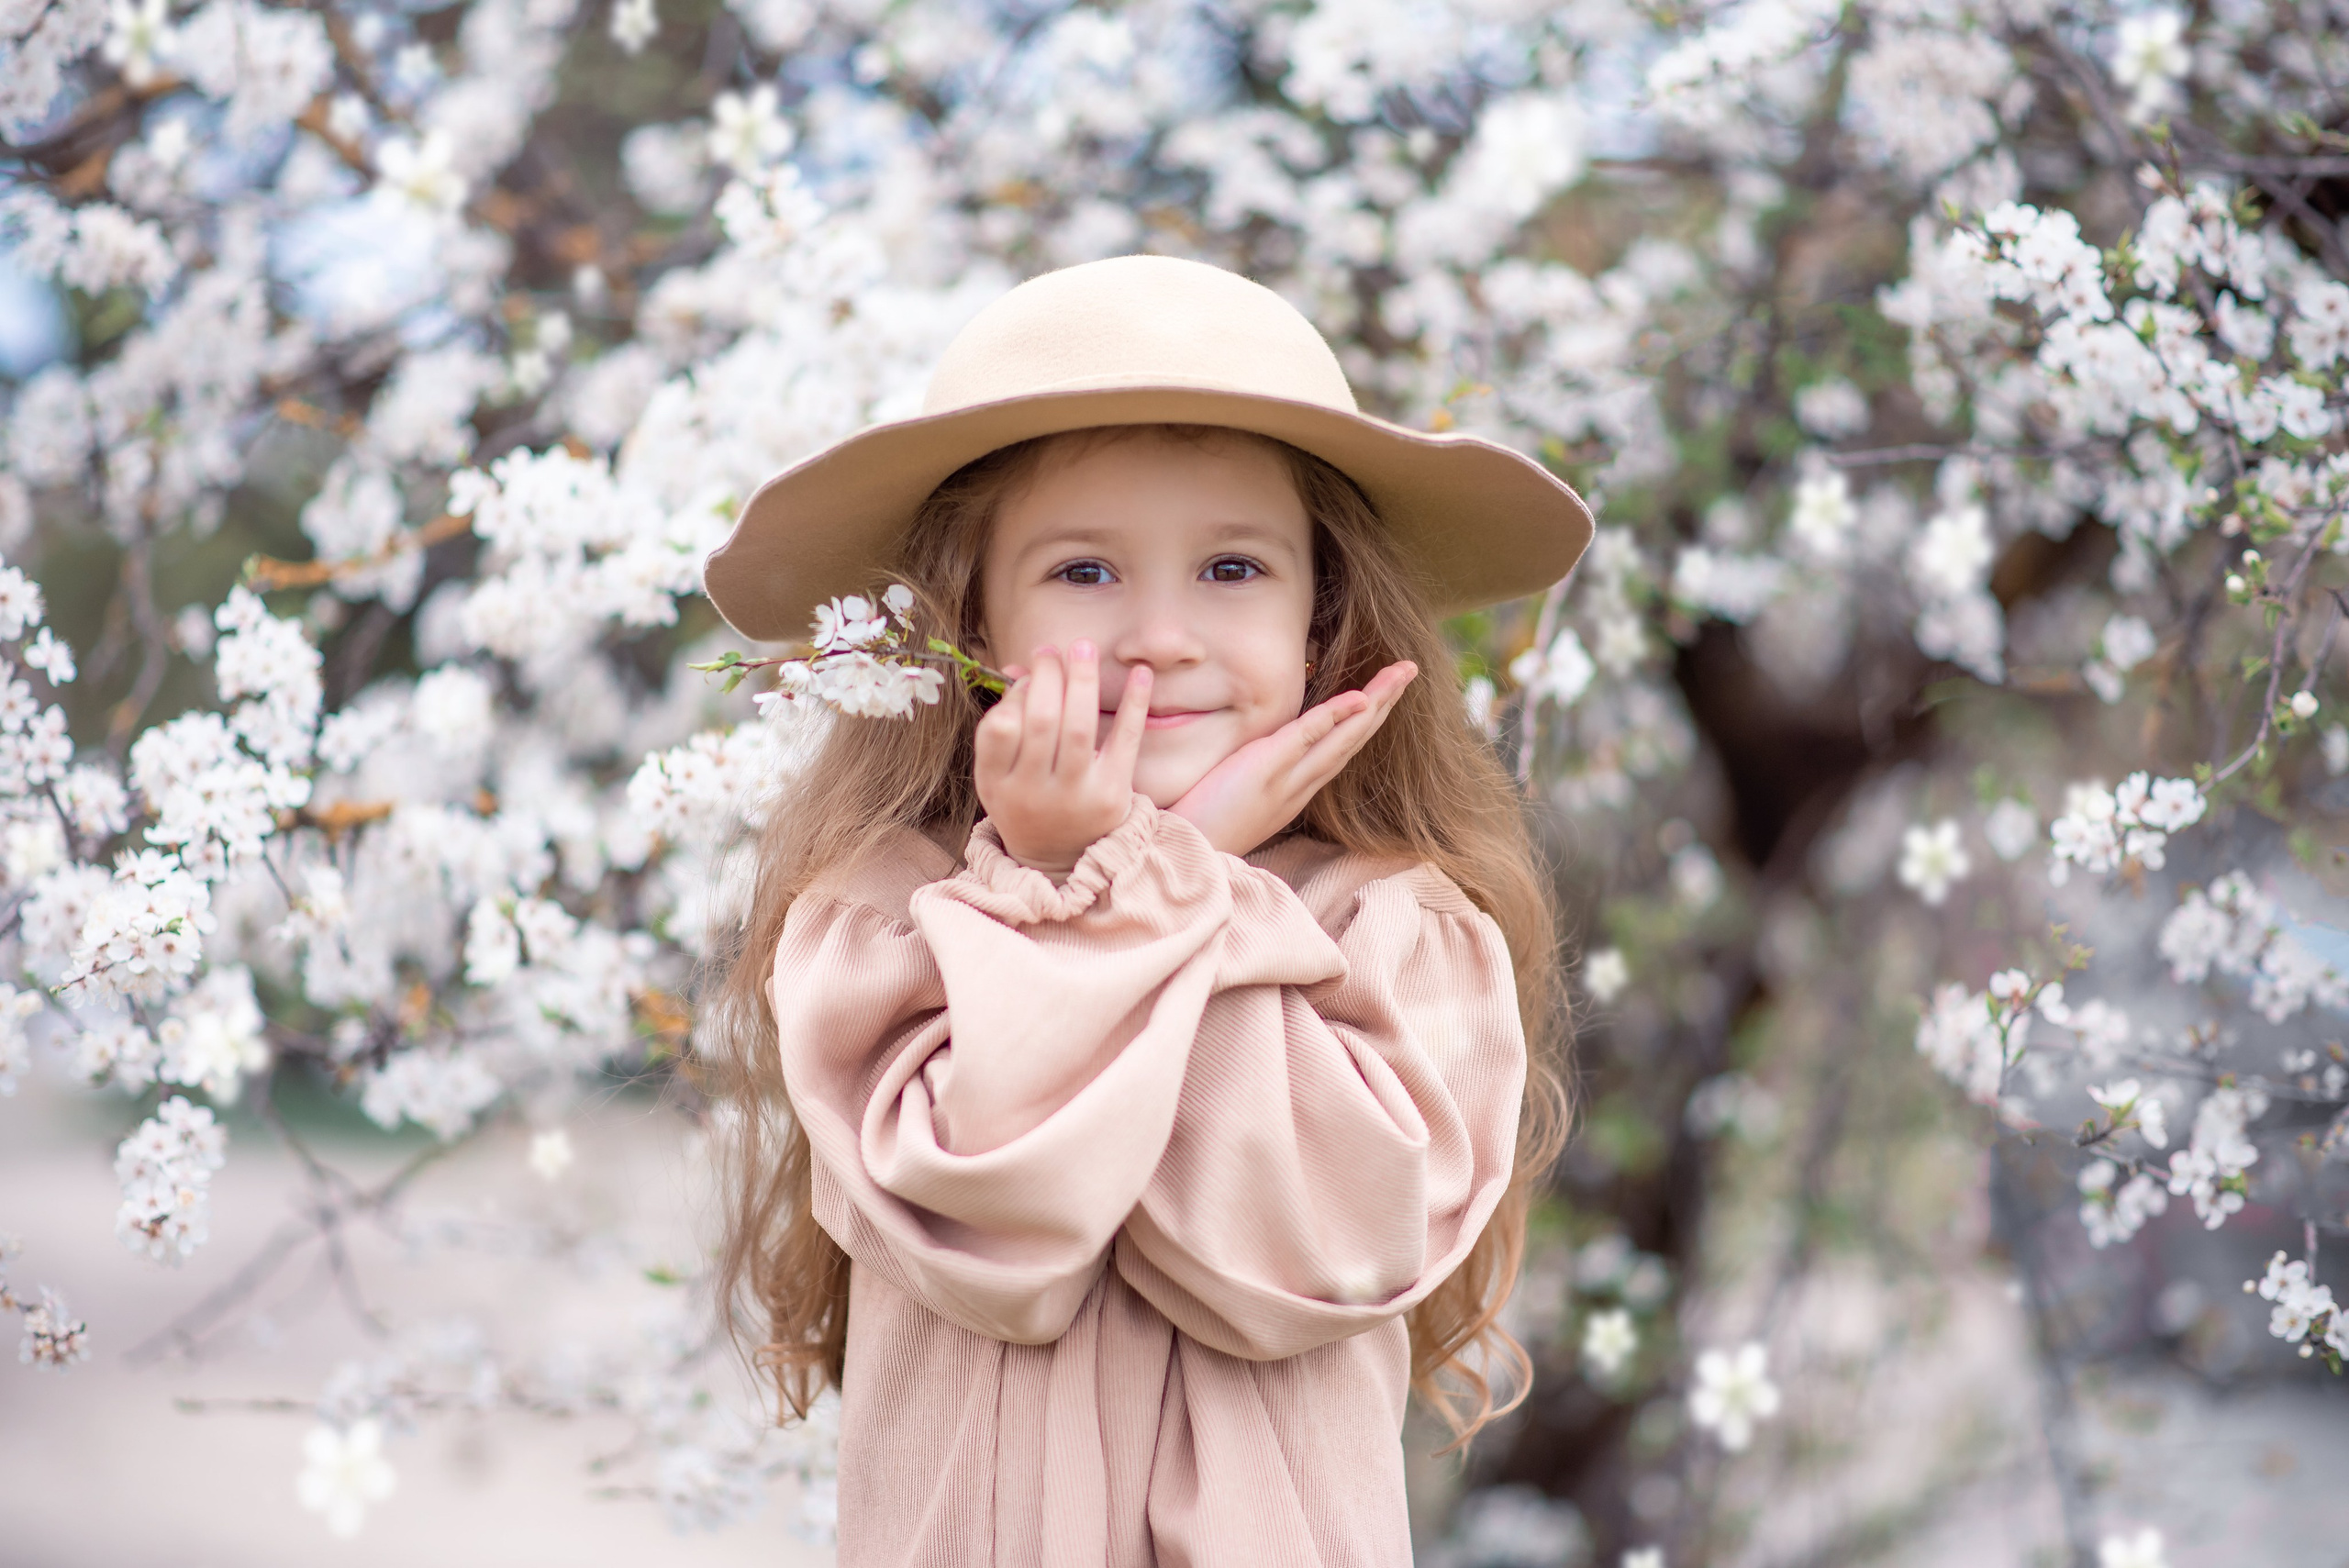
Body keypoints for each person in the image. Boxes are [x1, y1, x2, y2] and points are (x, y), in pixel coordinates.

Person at [697, 253, 1593, 1566]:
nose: (1161, 635)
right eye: (1084, 573)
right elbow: (1003, 1228)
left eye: (1234, 570)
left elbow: (1308, 1251)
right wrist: (1124, 875)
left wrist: (1149, 868)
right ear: (974, 621)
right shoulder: (884, 928)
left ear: (1322, 617)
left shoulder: (1397, 934)